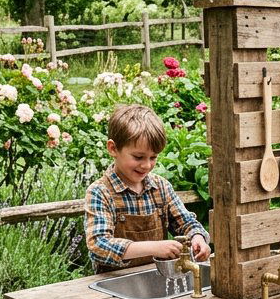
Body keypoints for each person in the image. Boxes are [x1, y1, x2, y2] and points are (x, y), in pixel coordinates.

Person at [84, 103, 210, 273]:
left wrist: (197, 237)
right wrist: (153, 248)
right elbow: (99, 245)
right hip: (113, 285)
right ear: (113, 148)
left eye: (153, 157)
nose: (146, 165)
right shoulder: (101, 192)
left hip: (157, 276)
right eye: (138, 157)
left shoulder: (161, 187)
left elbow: (185, 222)